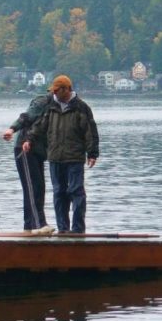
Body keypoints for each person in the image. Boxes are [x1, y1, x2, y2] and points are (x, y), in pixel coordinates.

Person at [22, 75, 99, 234]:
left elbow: (90, 132)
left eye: (57, 91)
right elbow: (39, 126)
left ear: (67, 89)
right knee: (59, 193)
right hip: (55, 158)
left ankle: (78, 229)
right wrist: (29, 139)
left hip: (74, 158)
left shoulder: (81, 108)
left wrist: (92, 153)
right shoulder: (51, 108)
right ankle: (63, 229)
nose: (54, 94)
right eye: (54, 91)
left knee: (76, 192)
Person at [2, 92, 53, 232]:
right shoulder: (42, 102)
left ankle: (29, 226)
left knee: (39, 188)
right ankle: (39, 225)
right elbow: (26, 117)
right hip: (24, 148)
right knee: (32, 188)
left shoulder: (57, 106)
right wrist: (12, 129)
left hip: (38, 151)